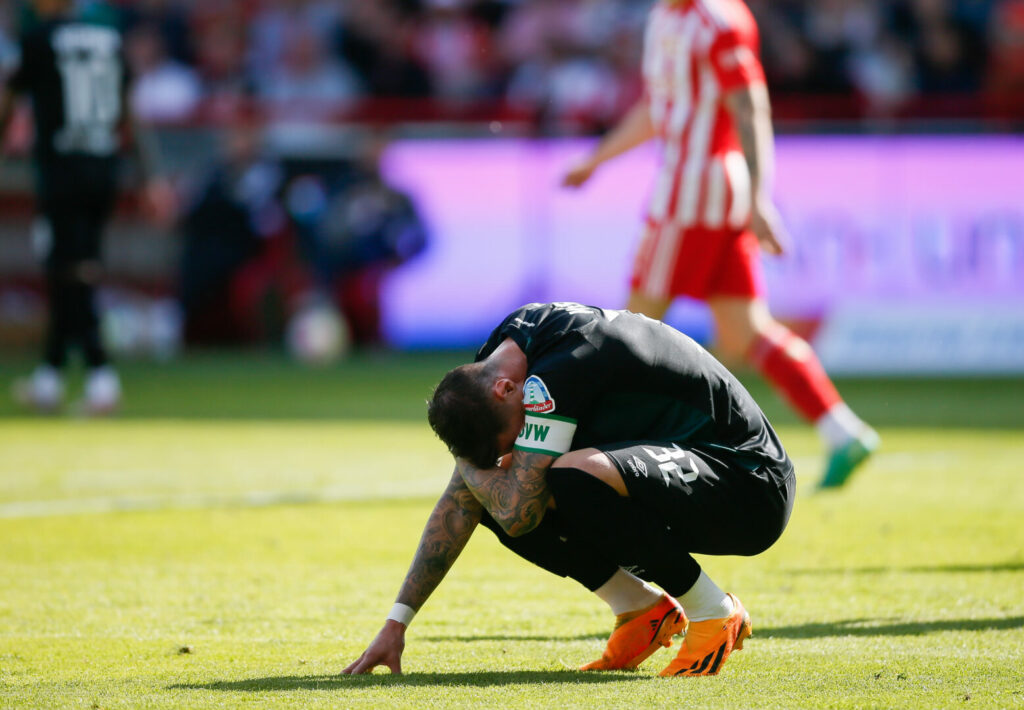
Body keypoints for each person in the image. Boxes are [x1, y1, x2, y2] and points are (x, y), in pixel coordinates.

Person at [344, 301, 794, 677]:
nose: (519, 440)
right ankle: (640, 609)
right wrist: (397, 622)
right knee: (496, 492)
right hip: (688, 472)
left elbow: (518, 510)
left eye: (514, 433)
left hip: (749, 482)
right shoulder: (504, 360)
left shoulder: (553, 374)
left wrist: (473, 466)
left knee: (561, 479)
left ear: (504, 390)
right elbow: (466, 498)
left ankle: (713, 612)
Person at [562, 0, 878, 489]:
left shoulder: (717, 20)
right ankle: (842, 430)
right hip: (706, 197)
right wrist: (598, 158)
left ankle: (585, 453)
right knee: (744, 332)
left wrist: (759, 197)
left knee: (629, 330)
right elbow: (659, 107)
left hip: (692, 200)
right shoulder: (667, 16)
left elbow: (750, 107)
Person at [0, 0, 169, 414]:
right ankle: (50, 376)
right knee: (71, 268)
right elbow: (129, 113)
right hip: (103, 167)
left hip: (63, 168)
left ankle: (101, 375)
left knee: (73, 273)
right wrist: (150, 175)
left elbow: (10, 101)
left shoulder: (39, 40)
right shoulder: (109, 39)